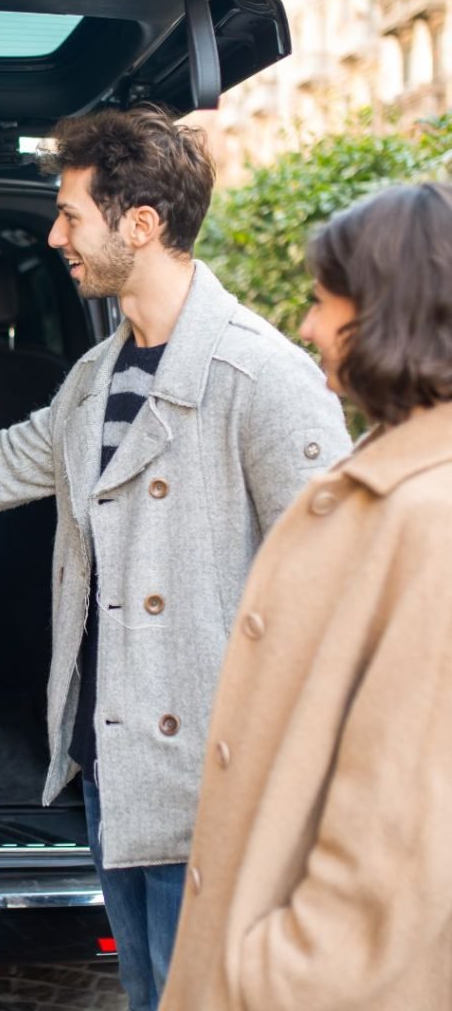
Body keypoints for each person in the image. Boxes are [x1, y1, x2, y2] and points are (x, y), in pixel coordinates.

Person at [0, 106, 352, 1010]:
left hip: (217, 782)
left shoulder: (262, 379)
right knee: (149, 990)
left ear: (140, 224)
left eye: (70, 216)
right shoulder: (95, 376)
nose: (55, 237)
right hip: (110, 759)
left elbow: (338, 593)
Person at [159, 183, 452, 1010]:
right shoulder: (386, 482)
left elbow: (401, 836)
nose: (309, 327)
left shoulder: (430, 520)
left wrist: (267, 976)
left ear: (389, 315)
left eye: (324, 302)